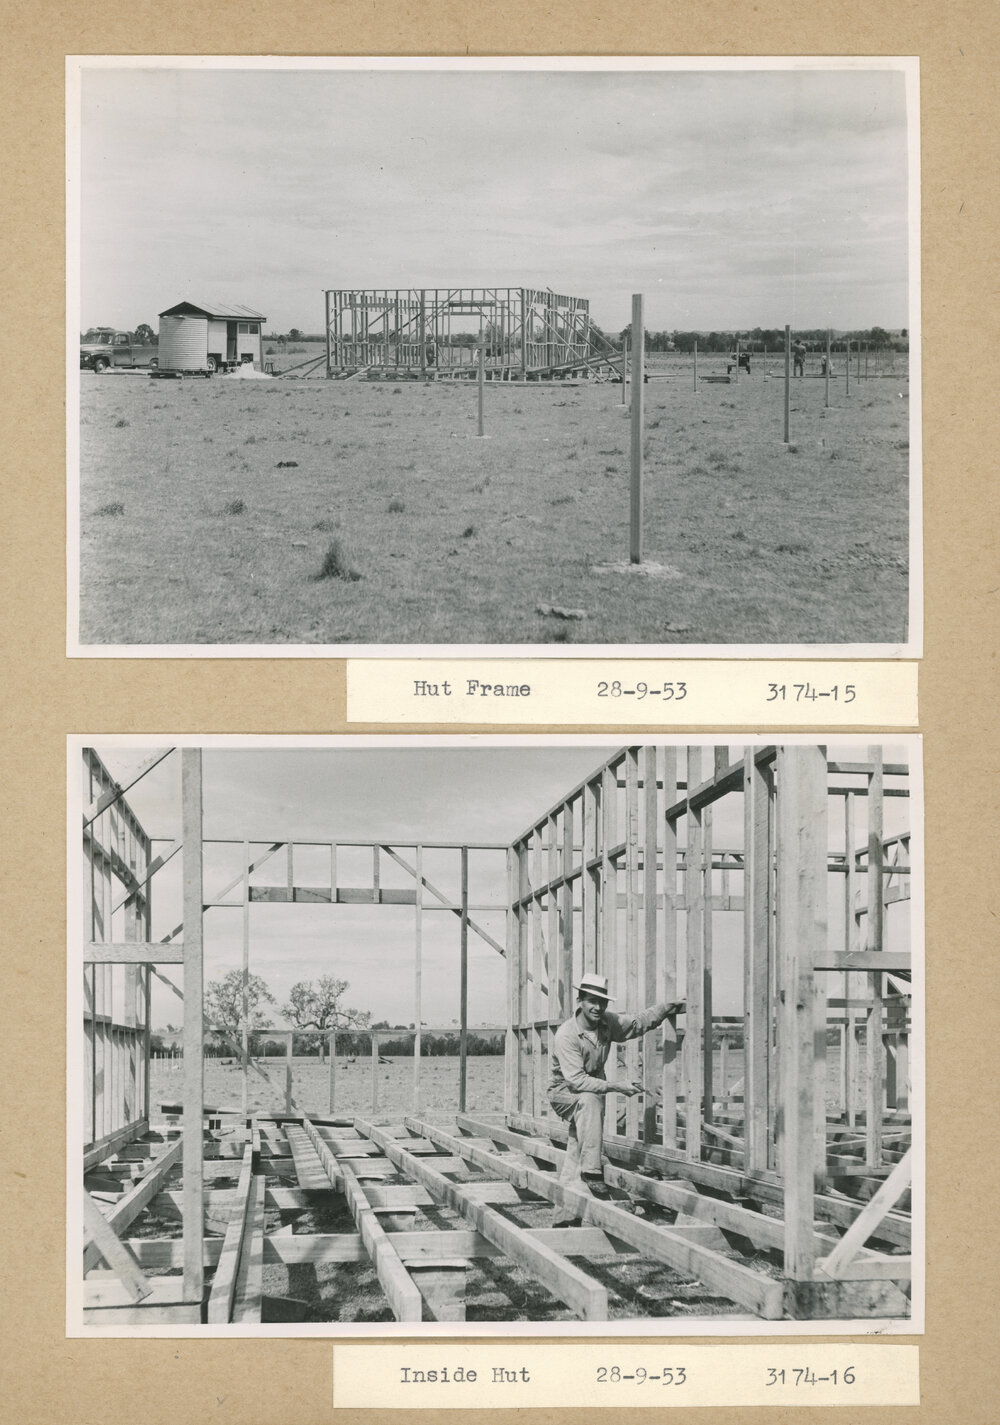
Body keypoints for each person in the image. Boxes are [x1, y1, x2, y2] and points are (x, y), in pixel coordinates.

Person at [547, 972, 684, 1224]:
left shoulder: (607, 1023)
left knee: (577, 1146)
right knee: (588, 1102)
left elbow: (636, 1024)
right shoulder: (566, 1035)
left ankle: (564, 1216)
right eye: (592, 1001)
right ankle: (591, 1172)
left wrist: (665, 1009)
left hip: (592, 1094)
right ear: (580, 1000)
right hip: (564, 1093)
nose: (598, 1007)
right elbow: (576, 1081)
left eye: (602, 1002)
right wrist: (617, 1086)